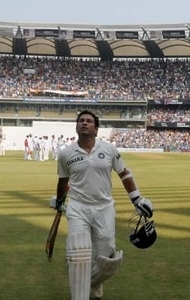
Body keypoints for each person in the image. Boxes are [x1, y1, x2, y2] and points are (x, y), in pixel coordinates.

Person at [52, 110, 153, 300]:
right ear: (76, 127)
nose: (84, 123)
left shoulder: (109, 150)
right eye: (81, 121)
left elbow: (124, 173)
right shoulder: (66, 153)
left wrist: (137, 199)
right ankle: (79, 295)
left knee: (107, 254)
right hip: (78, 207)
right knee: (79, 250)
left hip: (104, 208)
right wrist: (59, 202)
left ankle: (95, 281)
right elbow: (63, 181)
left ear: (96, 129)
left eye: (89, 121)